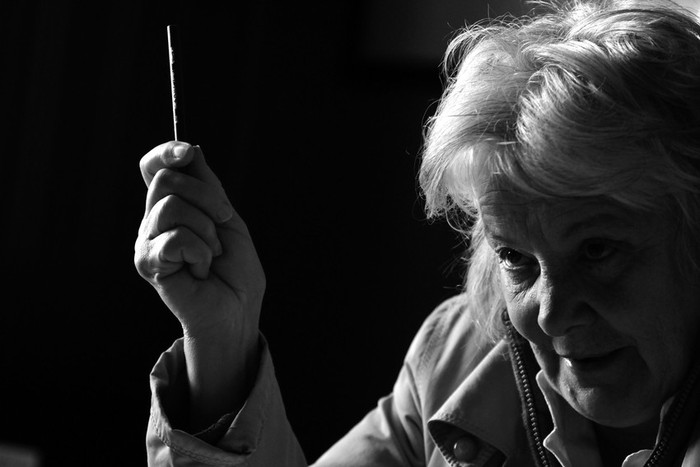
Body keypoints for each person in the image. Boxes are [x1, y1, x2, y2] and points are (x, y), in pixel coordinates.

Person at [134, 0, 700, 465]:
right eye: (515, 258)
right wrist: (222, 338)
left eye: (597, 251)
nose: (550, 315)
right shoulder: (459, 359)